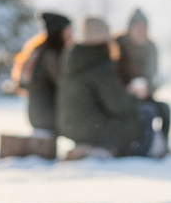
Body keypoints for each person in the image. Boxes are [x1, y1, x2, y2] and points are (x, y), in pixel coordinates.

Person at [58, 16, 163, 158]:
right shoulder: (101, 64)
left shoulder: (73, 60)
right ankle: (139, 156)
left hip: (70, 127)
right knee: (145, 114)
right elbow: (117, 106)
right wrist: (136, 96)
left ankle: (93, 149)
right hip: (92, 128)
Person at [115, 7, 170, 151]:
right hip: (121, 96)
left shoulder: (151, 47)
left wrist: (148, 88)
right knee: (146, 112)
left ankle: (164, 146)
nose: (140, 31)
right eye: (137, 27)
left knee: (164, 109)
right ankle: (141, 151)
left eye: (143, 28)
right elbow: (111, 75)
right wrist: (127, 89)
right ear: (130, 28)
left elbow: (153, 75)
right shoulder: (118, 44)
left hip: (144, 95)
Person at [19, 12, 72, 138]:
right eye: (68, 31)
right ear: (59, 33)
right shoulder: (50, 56)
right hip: (47, 117)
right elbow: (65, 84)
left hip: (37, 116)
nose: (71, 35)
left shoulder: (39, 52)